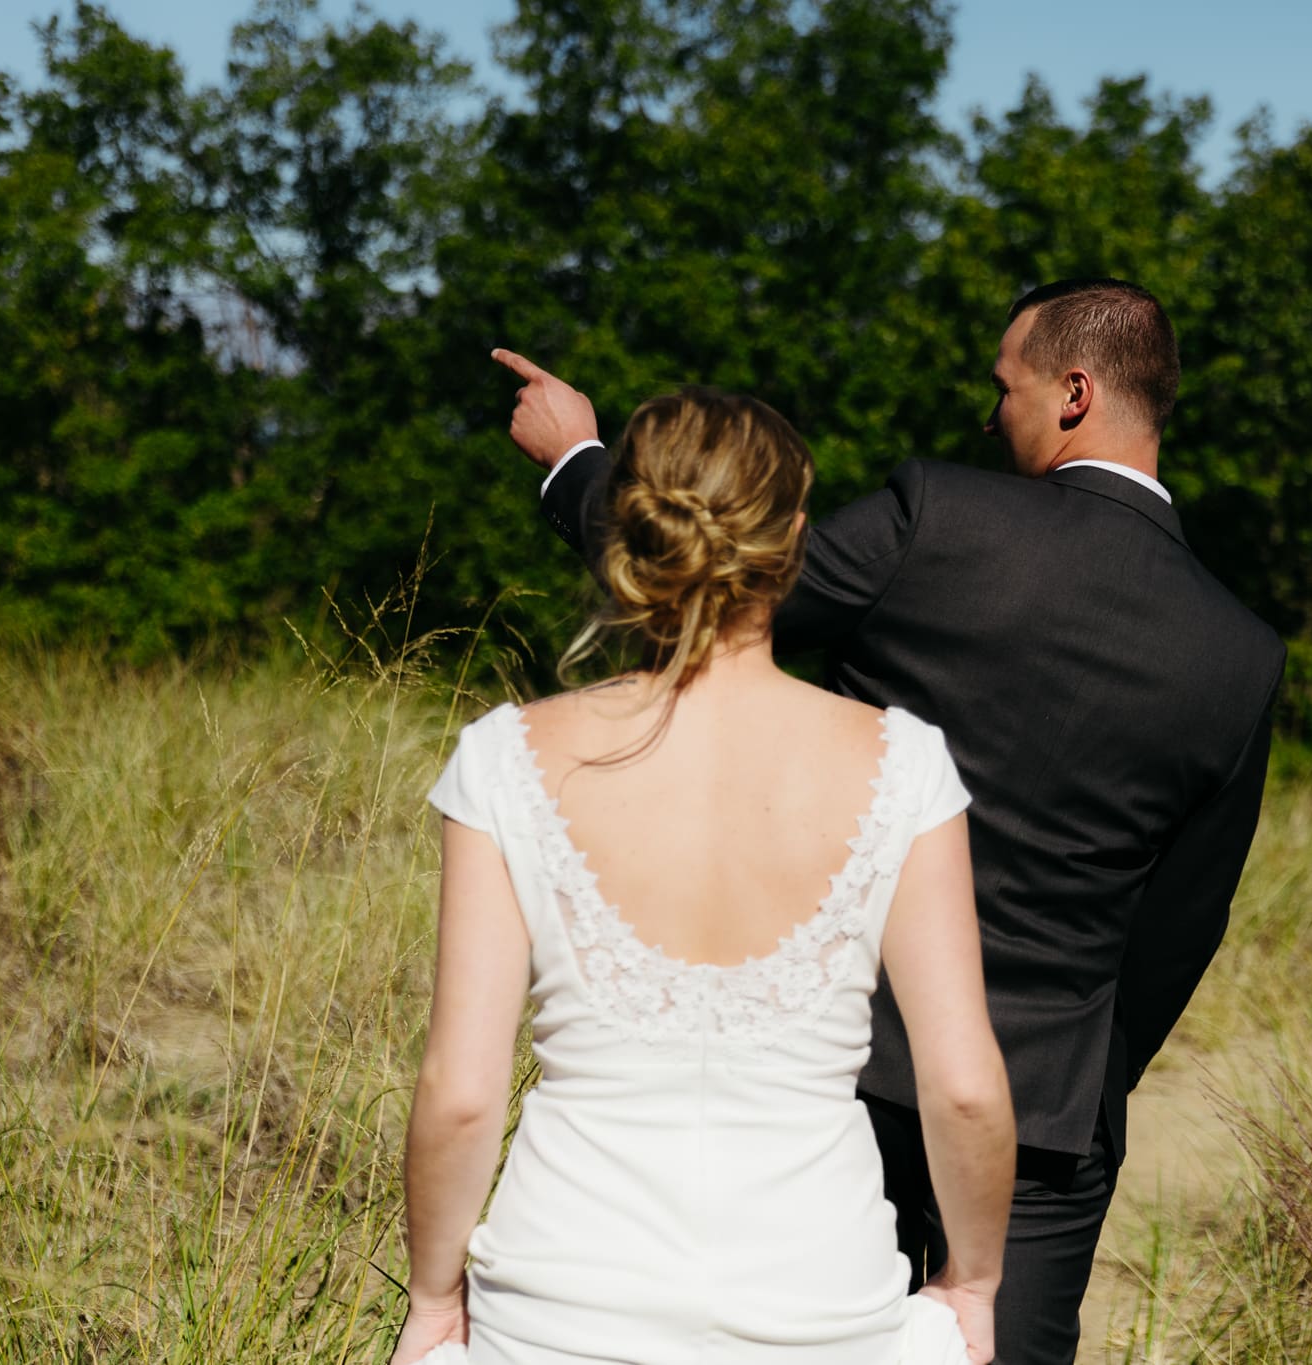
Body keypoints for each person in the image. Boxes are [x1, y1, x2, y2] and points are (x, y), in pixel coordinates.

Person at [502, 278, 1286, 1365]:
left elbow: (707, 588)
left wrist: (574, 461)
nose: (986, 414)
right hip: (1045, 1114)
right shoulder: (1240, 653)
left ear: (1074, 391)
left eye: (1001, 386)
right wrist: (1069, 1076)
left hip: (831, 1065)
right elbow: (1177, 929)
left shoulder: (940, 520)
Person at [391, 388, 1016, 1365]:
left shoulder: (507, 756)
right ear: (793, 537)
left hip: (563, 1302)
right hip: (821, 1298)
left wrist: (434, 1298)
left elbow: (463, 1092)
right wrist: (971, 1282)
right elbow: (965, 1088)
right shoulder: (901, 765)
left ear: (630, 534)